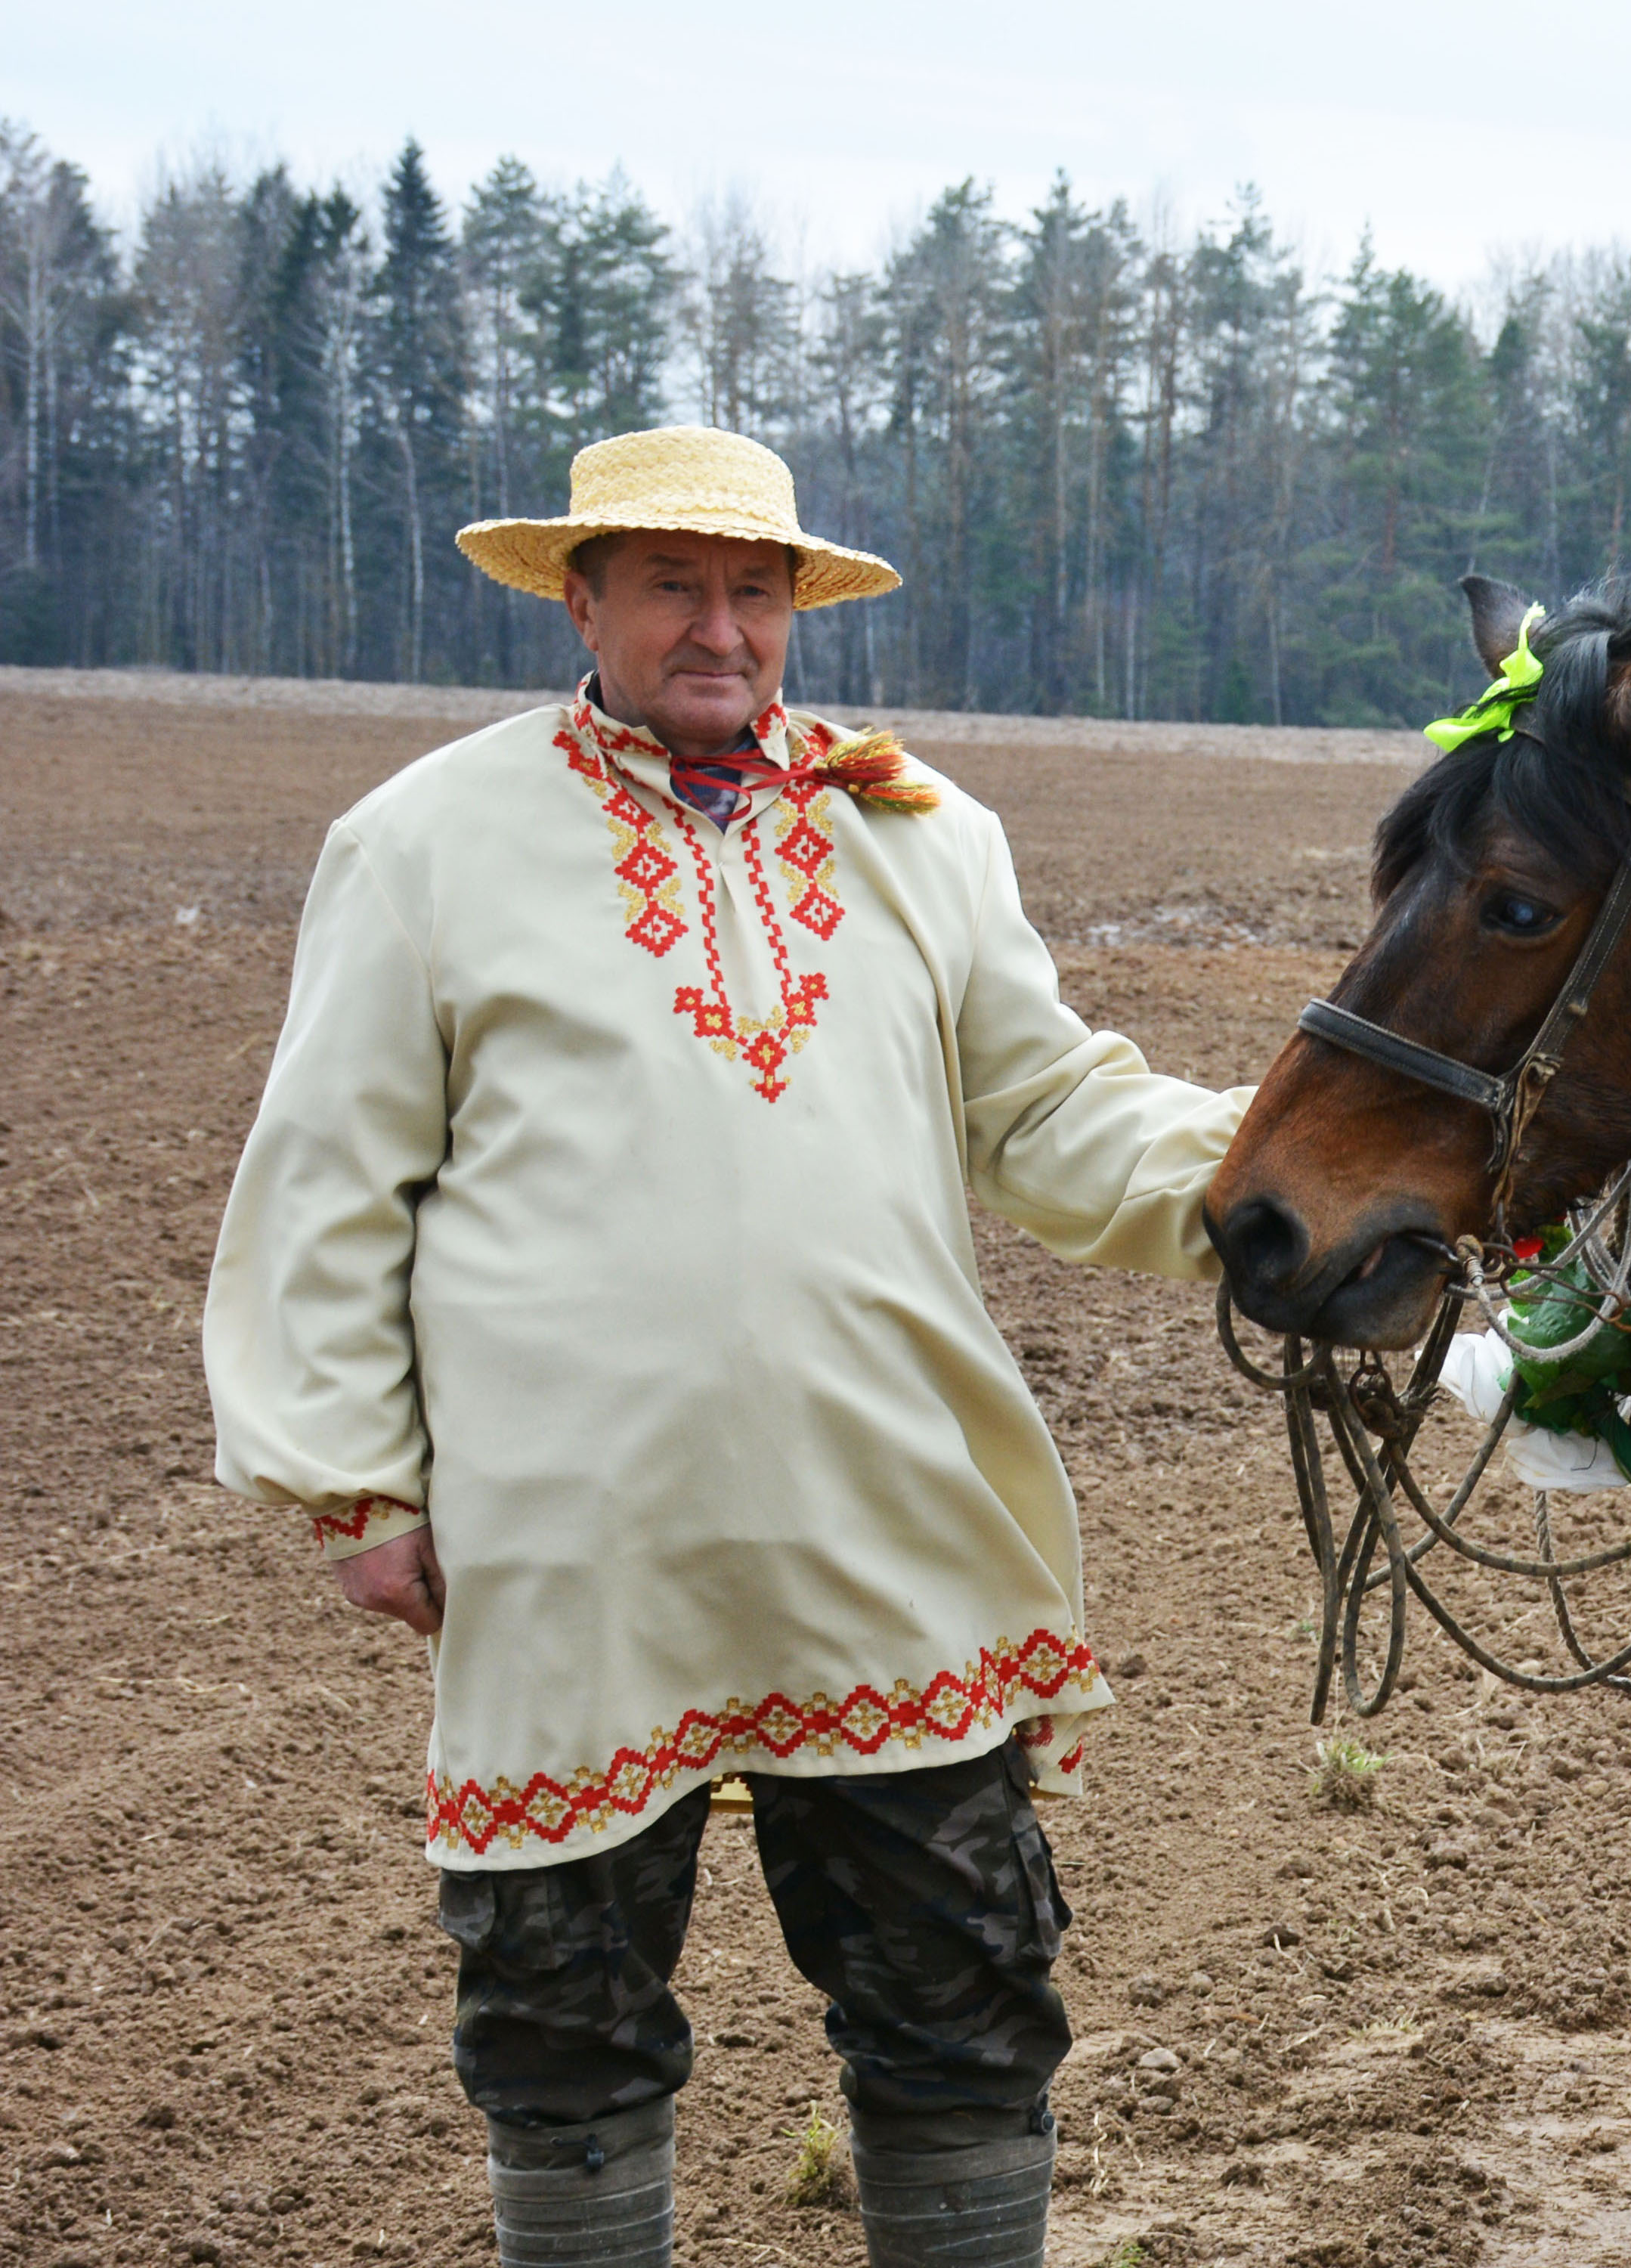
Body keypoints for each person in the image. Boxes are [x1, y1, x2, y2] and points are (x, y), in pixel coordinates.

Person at [206, 426, 1245, 2268]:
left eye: (753, 588)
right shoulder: (428, 840)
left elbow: (1050, 1113)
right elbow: (327, 1172)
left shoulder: (918, 831)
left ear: (792, 614)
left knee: (963, 1994)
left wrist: (1280, 1171)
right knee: (561, 2022)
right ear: (581, 597)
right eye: (673, 583)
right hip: (576, 1542)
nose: (720, 625)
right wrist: (350, 1469)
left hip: (885, 1519)